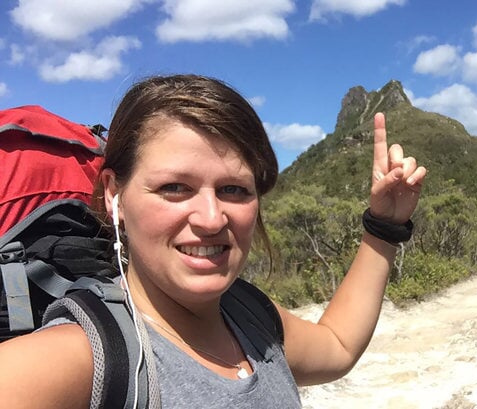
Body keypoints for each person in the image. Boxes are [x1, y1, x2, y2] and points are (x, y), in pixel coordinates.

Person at [0, 74, 426, 408]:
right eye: (174, 187)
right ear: (114, 193)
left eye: (234, 190)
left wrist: (383, 227)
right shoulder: (83, 358)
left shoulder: (248, 314)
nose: (210, 218)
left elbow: (337, 345)